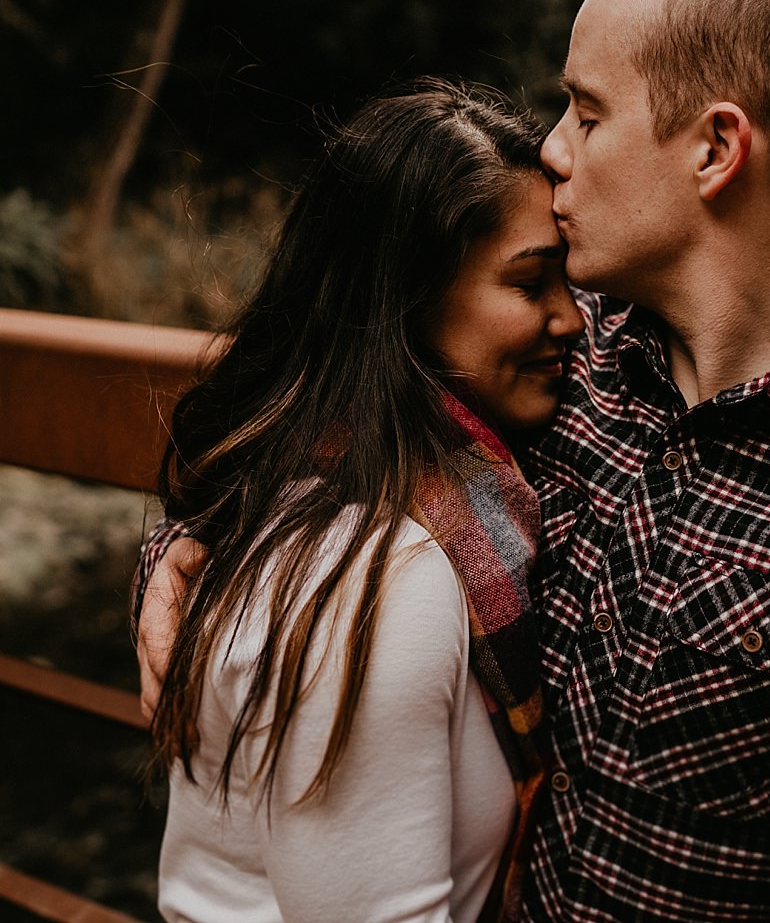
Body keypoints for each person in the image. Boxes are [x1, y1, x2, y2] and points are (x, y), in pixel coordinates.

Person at [139, 0, 770, 920]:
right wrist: (186, 550)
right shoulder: (560, 373)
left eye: (587, 113)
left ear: (717, 150)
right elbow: (324, 418)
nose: (552, 146)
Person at [146, 80, 584, 922]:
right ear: (406, 302)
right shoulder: (379, 572)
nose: (574, 320)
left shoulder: (352, 475)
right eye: (532, 285)